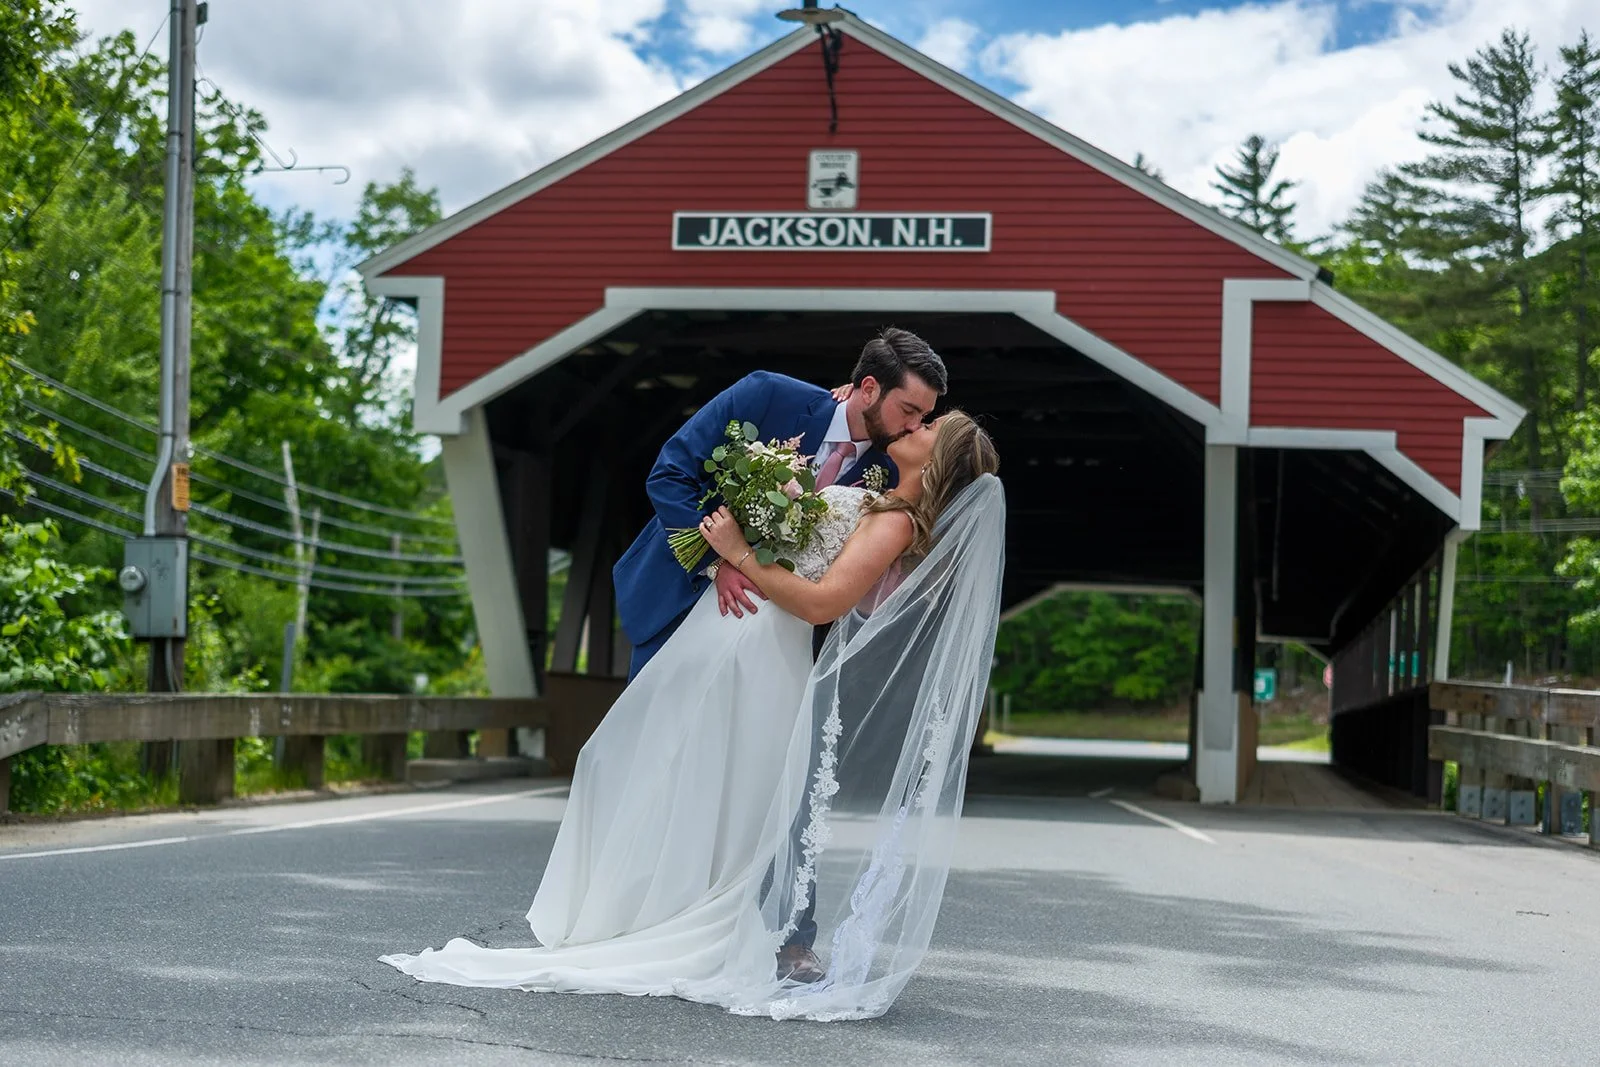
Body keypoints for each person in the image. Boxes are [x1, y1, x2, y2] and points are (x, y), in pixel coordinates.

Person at [382, 406, 1005, 1024]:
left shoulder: (894, 522)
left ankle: (667, 922)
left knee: (699, 781)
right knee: (643, 763)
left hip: (759, 644)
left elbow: (822, 605)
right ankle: (636, 914)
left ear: (938, 459)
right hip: (735, 631)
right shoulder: (877, 502)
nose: (913, 427)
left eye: (928, 428)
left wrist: (738, 551)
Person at [612, 328, 948, 680]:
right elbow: (671, 474)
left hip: (769, 644)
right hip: (678, 596)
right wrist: (716, 562)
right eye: (909, 410)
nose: (913, 427)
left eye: (923, 417)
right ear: (868, 388)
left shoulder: (892, 474)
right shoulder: (767, 394)